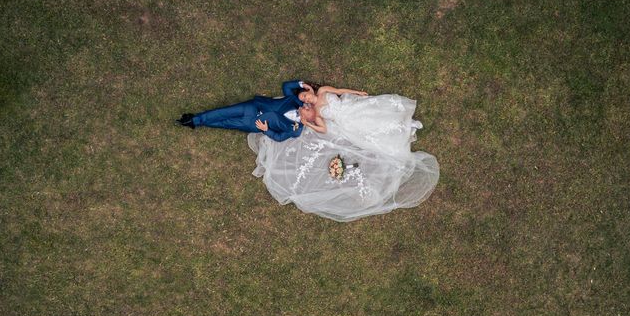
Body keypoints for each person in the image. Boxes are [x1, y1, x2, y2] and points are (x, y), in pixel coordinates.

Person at [247, 83, 439, 222]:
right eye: (303, 102)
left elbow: (339, 91)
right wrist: (307, 123)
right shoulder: (318, 114)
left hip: (350, 107)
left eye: (304, 98)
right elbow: (322, 129)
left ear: (309, 90)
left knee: (374, 116)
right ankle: (405, 130)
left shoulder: (322, 91)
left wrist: (356, 92)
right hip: (346, 123)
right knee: (369, 132)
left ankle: (407, 123)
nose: (304, 103)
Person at [176, 80, 316, 142]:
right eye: (308, 106)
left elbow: (279, 138)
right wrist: (302, 85)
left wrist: (266, 130)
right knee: (223, 112)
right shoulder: (294, 101)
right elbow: (286, 86)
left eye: (308, 109)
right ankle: (194, 119)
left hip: (254, 123)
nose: (306, 106)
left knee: (226, 123)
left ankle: (198, 123)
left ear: (308, 119)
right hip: (254, 106)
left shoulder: (296, 130)